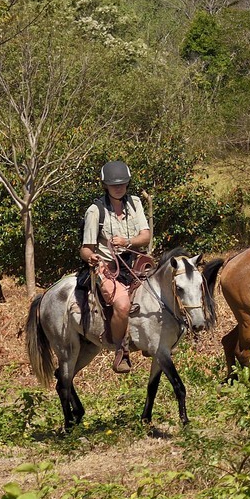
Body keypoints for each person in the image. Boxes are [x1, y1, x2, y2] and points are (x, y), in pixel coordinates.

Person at [79, 160, 152, 373]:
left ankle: (157, 336)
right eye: (113, 185)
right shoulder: (95, 211)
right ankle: (121, 350)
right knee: (121, 305)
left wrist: (128, 242)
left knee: (165, 286)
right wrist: (91, 257)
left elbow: (145, 236)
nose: (118, 187)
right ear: (105, 186)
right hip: (108, 267)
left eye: (122, 183)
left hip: (134, 261)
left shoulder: (135, 203)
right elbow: (85, 248)